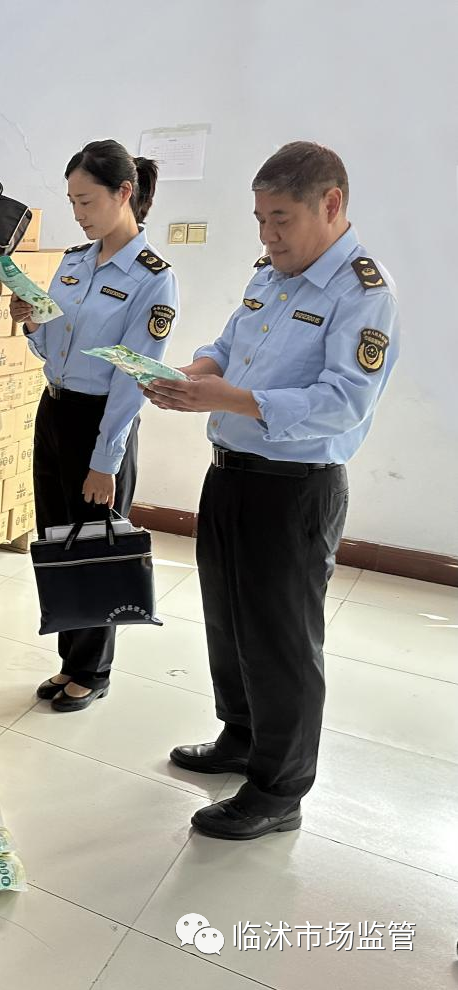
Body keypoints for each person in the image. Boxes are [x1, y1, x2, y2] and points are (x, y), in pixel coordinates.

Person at [143, 141, 399, 840]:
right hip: (230, 474)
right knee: (228, 621)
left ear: (330, 204)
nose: (267, 236)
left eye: (280, 219)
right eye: (259, 220)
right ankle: (241, 735)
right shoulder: (273, 275)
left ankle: (279, 790)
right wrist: (193, 374)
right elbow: (229, 347)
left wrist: (231, 398)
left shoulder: (363, 293)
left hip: (294, 490)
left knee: (281, 639)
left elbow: (344, 403)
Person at [12, 139, 178, 711]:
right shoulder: (75, 262)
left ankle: (94, 668)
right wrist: (31, 323)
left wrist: (106, 460)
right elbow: (51, 347)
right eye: (72, 202)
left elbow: (133, 377)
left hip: (102, 421)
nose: (78, 214)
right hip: (55, 410)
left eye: (86, 201)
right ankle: (69, 661)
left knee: (95, 544)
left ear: (123, 193)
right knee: (58, 539)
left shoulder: (153, 279)